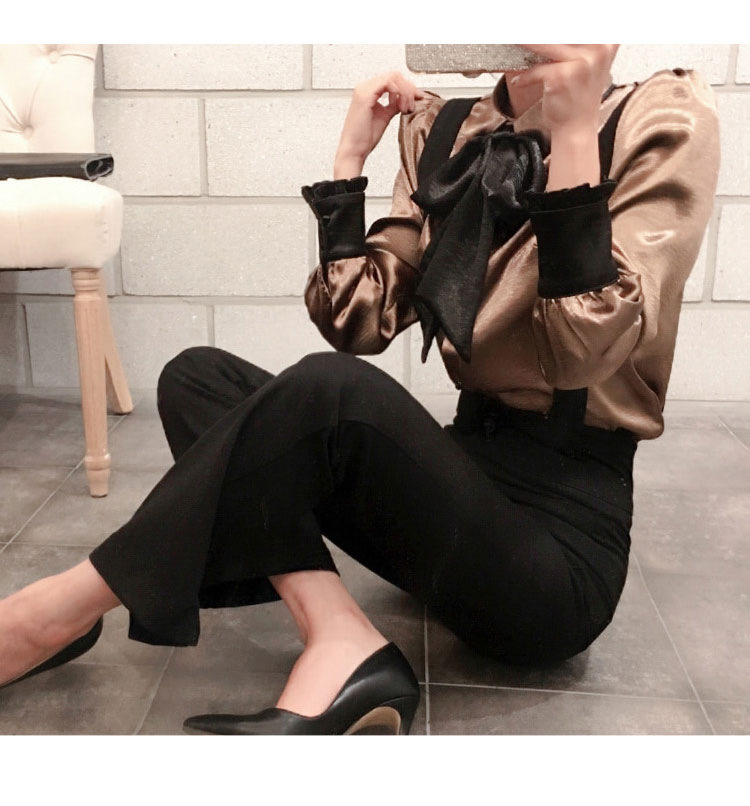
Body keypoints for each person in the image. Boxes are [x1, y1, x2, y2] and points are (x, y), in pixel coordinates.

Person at [0, 44, 720, 735]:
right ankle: (337, 633)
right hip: (457, 493)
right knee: (197, 380)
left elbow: (582, 351)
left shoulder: (661, 117)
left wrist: (574, 132)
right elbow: (361, 322)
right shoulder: (449, 128)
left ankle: (61, 608)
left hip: (555, 557)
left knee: (330, 390)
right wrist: (350, 161)